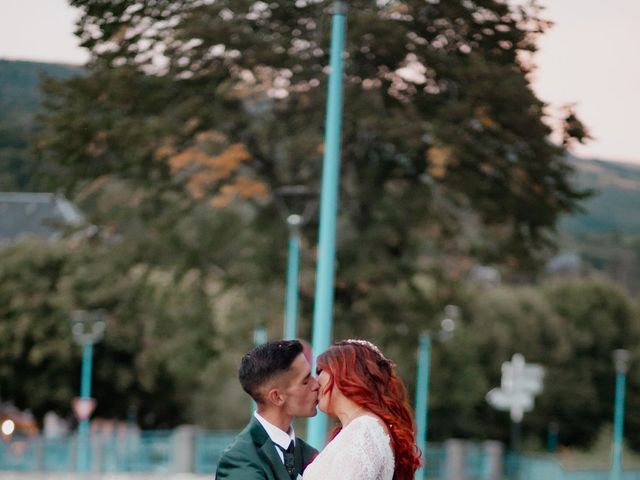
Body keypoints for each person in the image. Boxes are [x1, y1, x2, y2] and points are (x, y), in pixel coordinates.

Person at [303, 339, 421, 480]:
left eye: (320, 371)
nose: (316, 381)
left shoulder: (365, 430)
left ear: (345, 371)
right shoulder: (360, 429)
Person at [216, 339, 320, 480]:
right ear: (277, 397)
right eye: (306, 381)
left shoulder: (310, 455)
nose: (317, 385)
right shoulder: (239, 460)